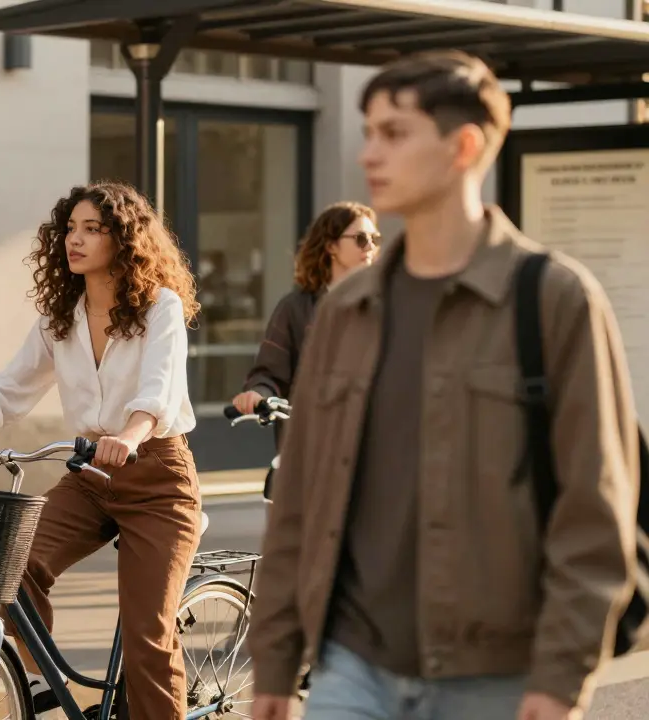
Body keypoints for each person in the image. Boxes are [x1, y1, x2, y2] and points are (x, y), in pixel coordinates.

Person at [249, 51, 640, 720]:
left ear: (463, 147)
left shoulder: (556, 299)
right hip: (351, 669)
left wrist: (559, 678)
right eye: (368, 132)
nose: (369, 153)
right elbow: (299, 502)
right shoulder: (346, 311)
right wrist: (276, 663)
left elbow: (595, 509)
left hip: (498, 678)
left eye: (394, 133)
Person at [0, 181, 201, 720]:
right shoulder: (61, 316)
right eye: (71, 228)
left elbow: (158, 390)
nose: (76, 239)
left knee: (147, 634)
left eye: (92, 229)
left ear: (124, 240)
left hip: (157, 479)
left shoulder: (159, 307)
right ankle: (42, 677)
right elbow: (11, 386)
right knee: (10, 565)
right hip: (90, 477)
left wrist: (129, 436)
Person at [231, 201, 378, 422]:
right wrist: (258, 394)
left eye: (375, 239)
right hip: (312, 433)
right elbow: (270, 374)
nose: (370, 247)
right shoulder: (295, 308)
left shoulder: (384, 305)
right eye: (361, 238)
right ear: (331, 246)